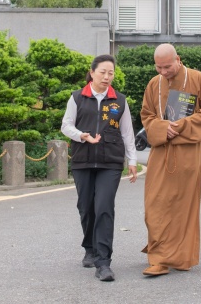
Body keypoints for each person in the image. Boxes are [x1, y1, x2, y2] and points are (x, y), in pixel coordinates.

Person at [139, 44, 201, 276]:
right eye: (159, 67)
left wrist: (181, 126)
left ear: (178, 60)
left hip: (189, 153)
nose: (163, 71)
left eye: (167, 66)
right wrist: (162, 128)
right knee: (155, 204)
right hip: (161, 151)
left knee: (183, 206)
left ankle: (178, 258)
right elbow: (147, 115)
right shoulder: (154, 83)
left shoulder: (196, 78)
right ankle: (159, 255)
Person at [61, 54, 138, 282]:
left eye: (111, 73)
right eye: (103, 72)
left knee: (104, 207)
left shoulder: (119, 101)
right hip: (83, 160)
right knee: (86, 207)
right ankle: (89, 248)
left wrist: (132, 161)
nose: (107, 77)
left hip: (110, 162)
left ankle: (103, 262)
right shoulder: (77, 98)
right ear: (92, 72)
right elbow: (66, 125)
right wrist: (81, 136)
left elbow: (127, 133)